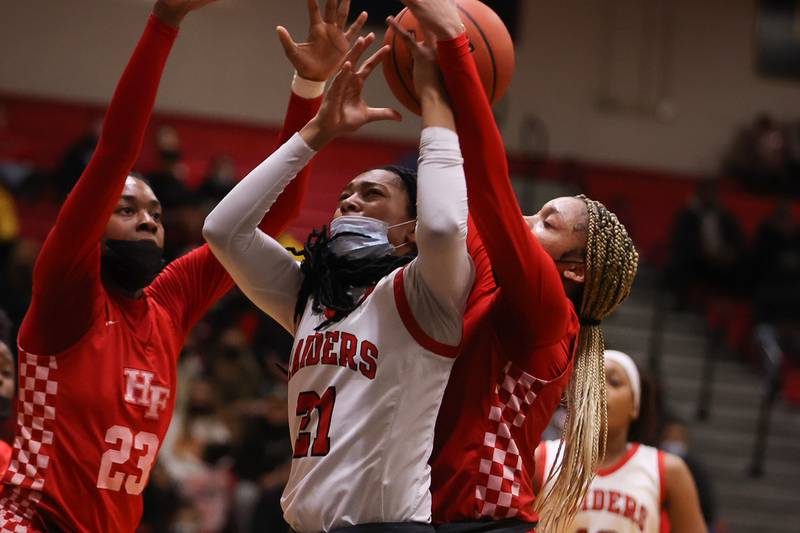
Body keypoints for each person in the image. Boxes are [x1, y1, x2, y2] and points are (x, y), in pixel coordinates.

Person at [0, 0, 366, 529]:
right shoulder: (67, 293)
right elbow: (114, 152)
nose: (148, 220)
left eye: (155, 212)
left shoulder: (168, 303)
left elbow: (267, 218)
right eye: (126, 210)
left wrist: (307, 89)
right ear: (91, 228)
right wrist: (165, 21)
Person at [202, 24, 474, 533]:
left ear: (409, 230)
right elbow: (223, 229)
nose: (350, 200)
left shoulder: (425, 293)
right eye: (346, 192)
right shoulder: (312, 296)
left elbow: (443, 224)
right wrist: (316, 134)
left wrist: (435, 95)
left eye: (372, 194)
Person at [387, 3, 639, 532]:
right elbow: (463, 201)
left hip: (486, 520)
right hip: (429, 512)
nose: (527, 220)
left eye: (547, 221)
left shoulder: (548, 313)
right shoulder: (500, 284)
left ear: (574, 271)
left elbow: (491, 189)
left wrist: (457, 46)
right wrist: (435, 98)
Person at [535, 350, 708, 533]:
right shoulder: (542, 459)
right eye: (590, 381)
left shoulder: (667, 470)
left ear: (635, 405)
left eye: (614, 382)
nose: (600, 388)